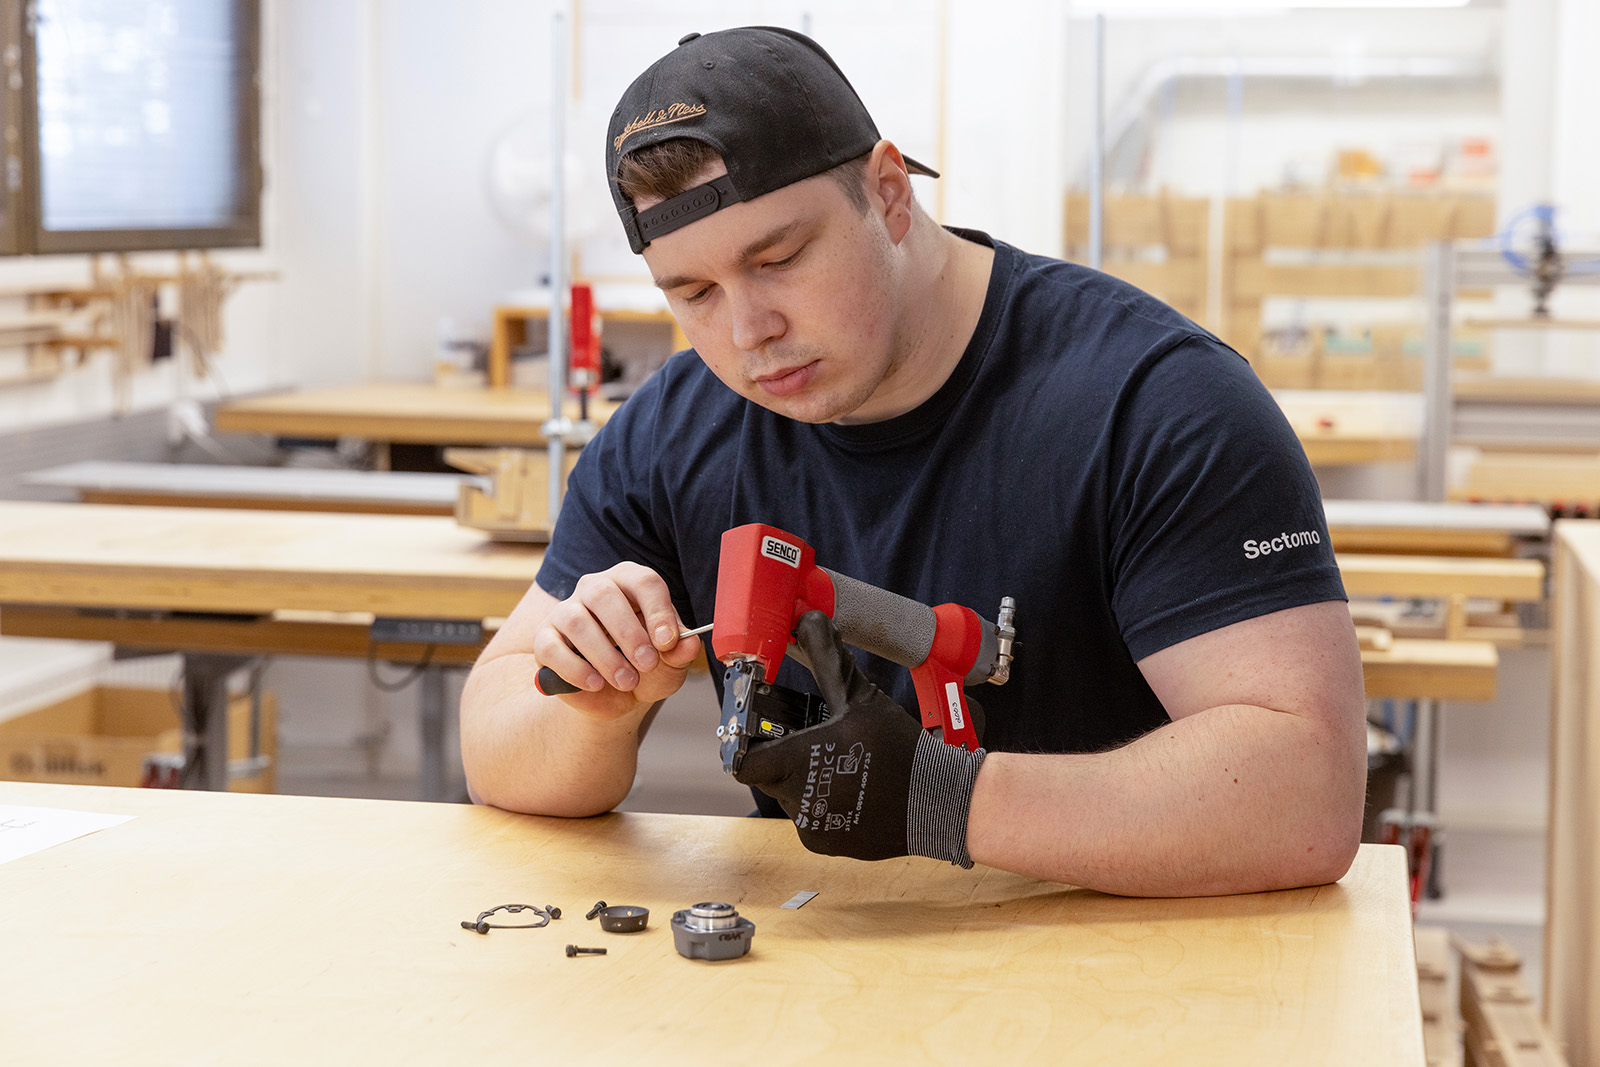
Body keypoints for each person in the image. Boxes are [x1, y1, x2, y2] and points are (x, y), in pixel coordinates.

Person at [460, 26, 1366, 897]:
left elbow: (1307, 794)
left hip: (1123, 977)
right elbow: (495, 740)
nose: (747, 332)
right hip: (831, 973)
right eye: (692, 293)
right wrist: (593, 708)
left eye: (778, 258)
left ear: (889, 192)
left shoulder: (1156, 403)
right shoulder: (674, 431)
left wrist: (947, 800)